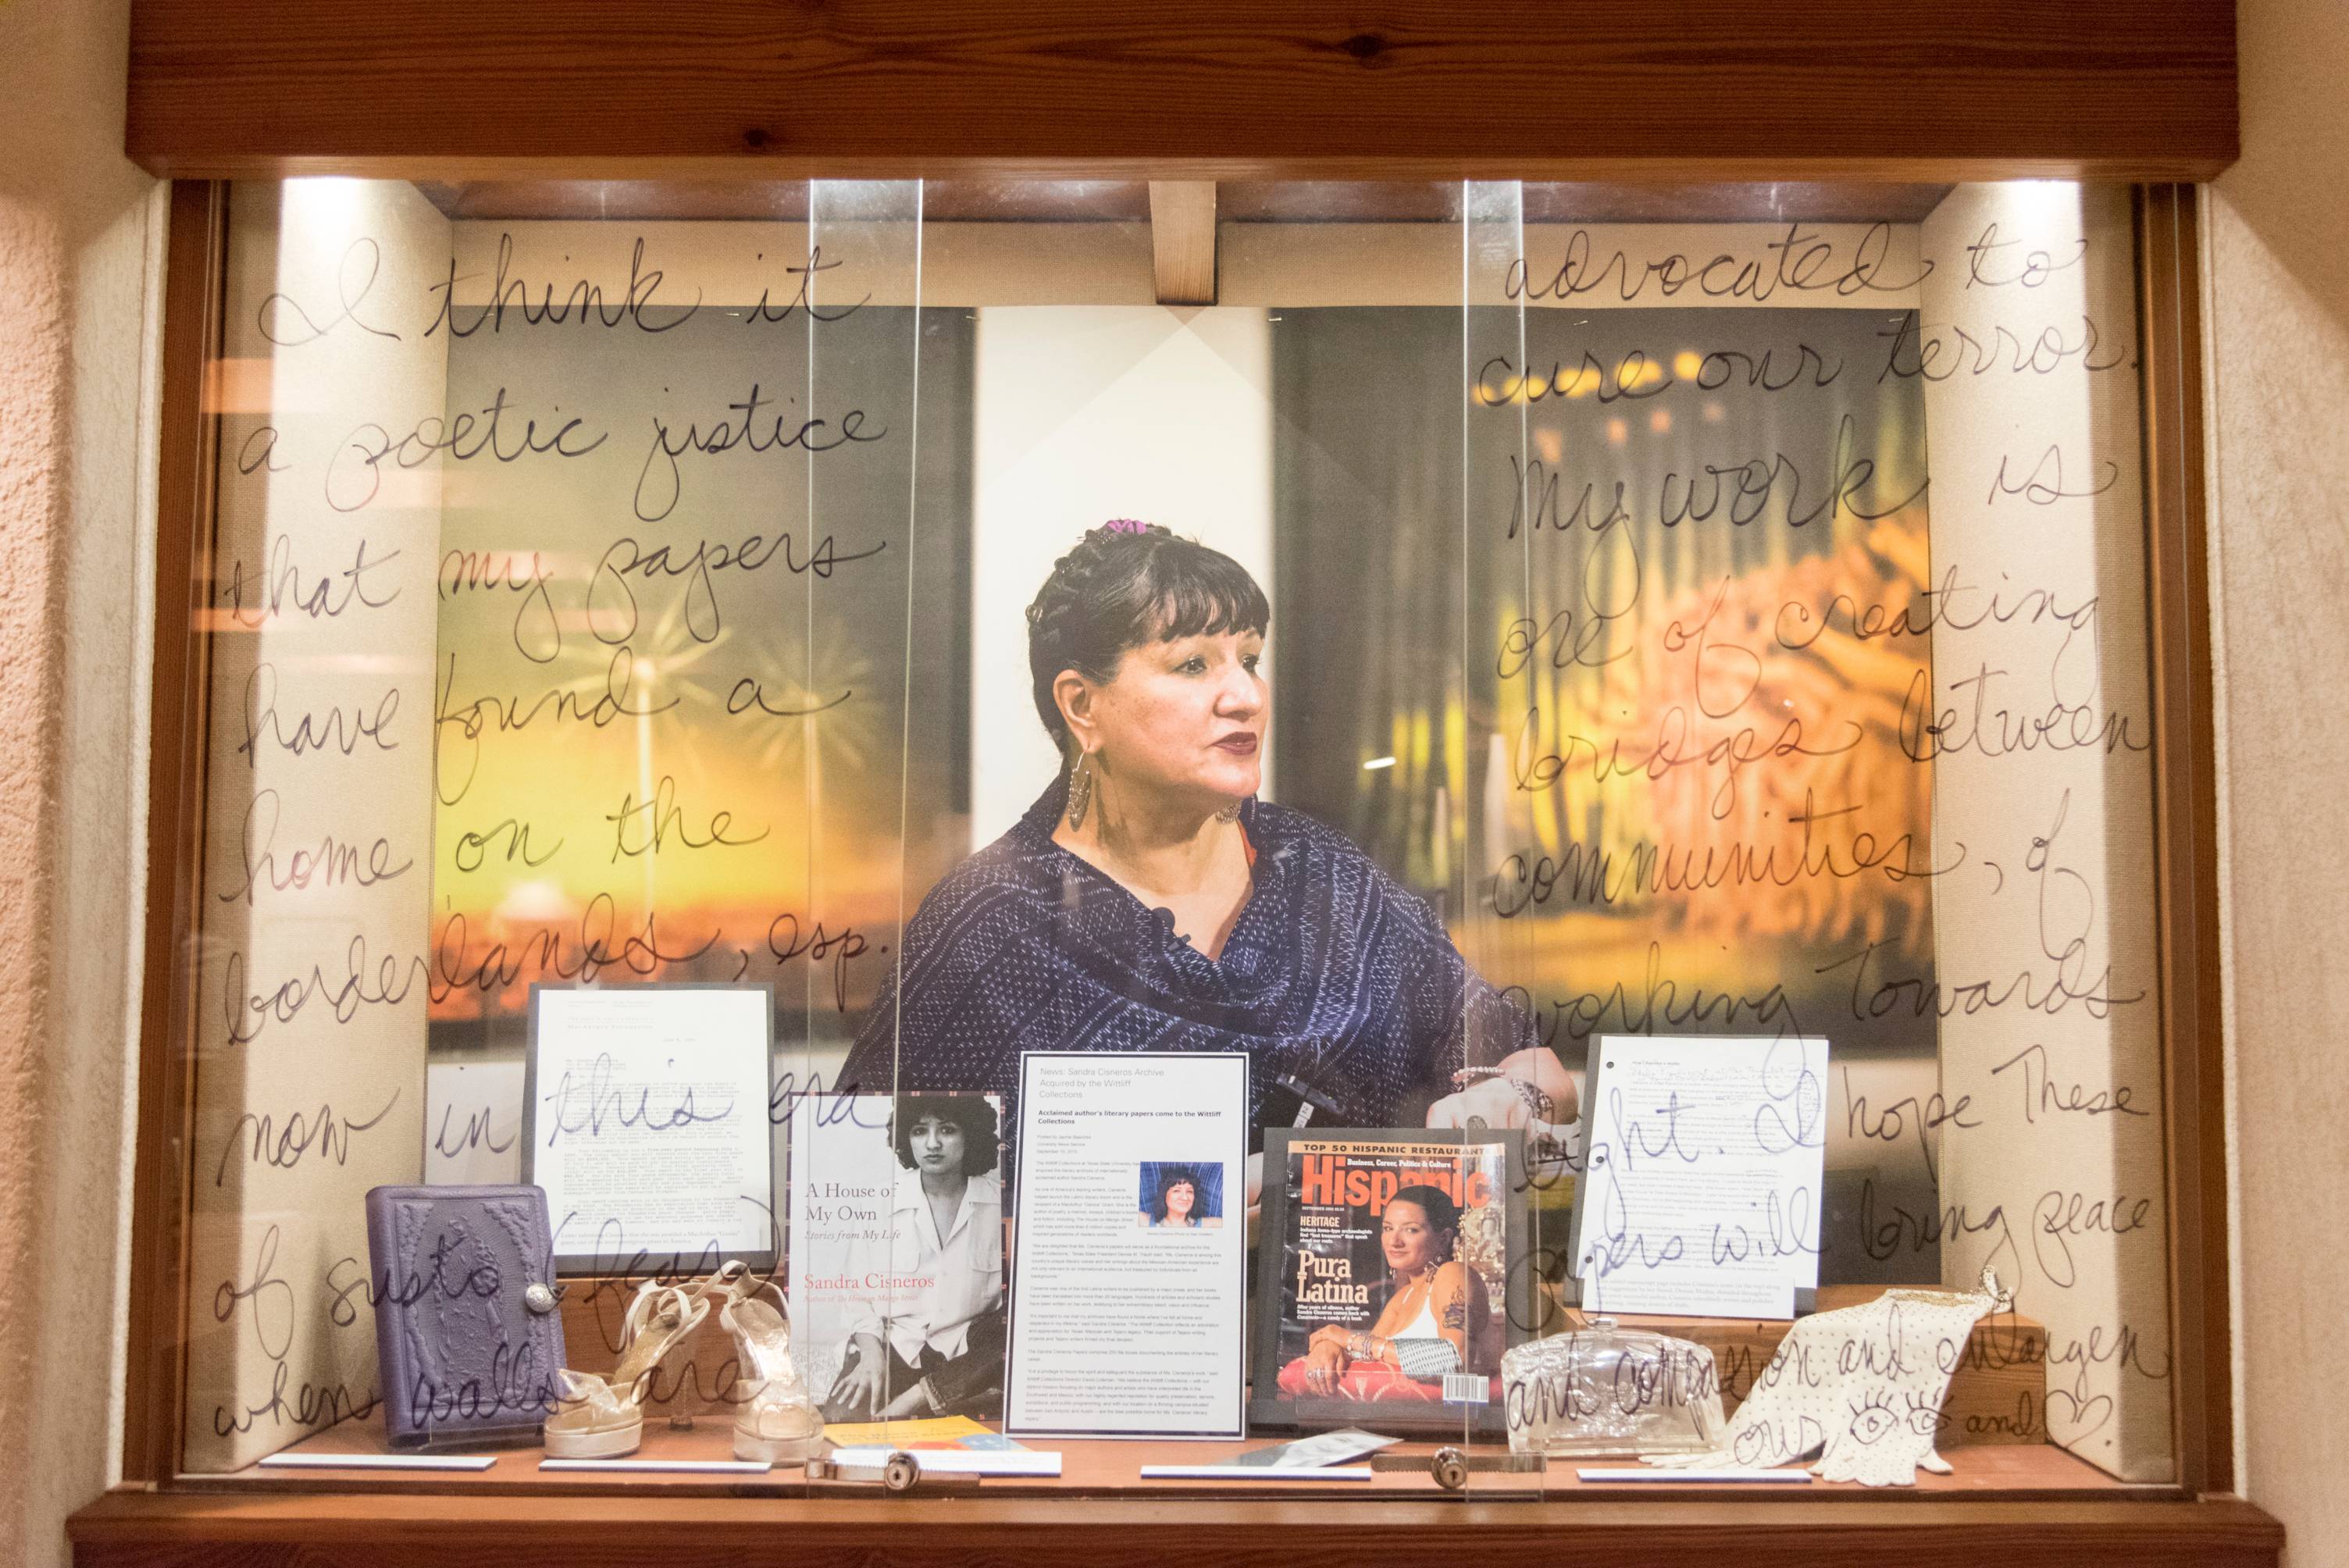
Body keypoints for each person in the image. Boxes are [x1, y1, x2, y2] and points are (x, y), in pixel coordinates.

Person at [838, 522, 1576, 1206]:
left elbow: (1532, 1067)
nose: (1247, 696)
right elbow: (876, 1214)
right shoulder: (989, 922)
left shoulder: (1325, 879)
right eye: (1193, 664)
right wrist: (1180, 1229)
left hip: (1349, 1338)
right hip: (1103, 1341)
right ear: (1081, 705)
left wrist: (1511, 1100)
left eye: (1249, 660)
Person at [823, 1095, 1005, 1421]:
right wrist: (869, 1353)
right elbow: (857, 1294)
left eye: (947, 1130)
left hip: (968, 1351)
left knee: (1006, 1346)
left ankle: (922, 1398)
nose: (932, 1144)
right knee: (841, 1419)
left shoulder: (998, 1207)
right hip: (897, 1344)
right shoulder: (878, 1204)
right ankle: (945, 1403)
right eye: (920, 1131)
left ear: (971, 1135)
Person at [1287, 1185, 1492, 1398]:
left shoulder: (1453, 1274)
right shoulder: (1403, 1297)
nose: (1394, 1241)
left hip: (1455, 1419)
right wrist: (1329, 1346)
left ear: (1443, 1238)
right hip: (1404, 1417)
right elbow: (1367, 1354)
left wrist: (1347, 1339)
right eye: (1387, 1228)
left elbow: (1454, 1358)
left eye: (1411, 1229)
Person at [1143, 1167, 1214, 1228]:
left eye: (1189, 1191)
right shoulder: (1145, 1222)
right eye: (1177, 1191)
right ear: (1164, 1194)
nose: (1185, 1198)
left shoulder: (1208, 1225)